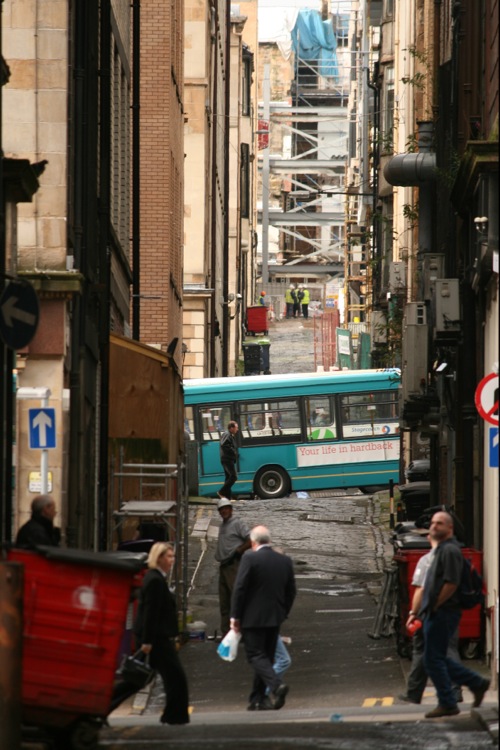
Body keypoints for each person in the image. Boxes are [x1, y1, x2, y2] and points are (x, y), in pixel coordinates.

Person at [419, 511, 490, 719]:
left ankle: (449, 702)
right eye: (432, 523)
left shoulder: (450, 550)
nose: (434, 526)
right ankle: (476, 683)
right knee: (435, 658)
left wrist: (435, 606)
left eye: (439, 523)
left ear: (449, 528)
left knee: (432, 660)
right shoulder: (441, 549)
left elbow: (451, 583)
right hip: (439, 611)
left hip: (443, 612)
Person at [230, 525, 296, 711]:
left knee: (255, 655)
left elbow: (240, 588)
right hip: (275, 618)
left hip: (252, 618)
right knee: (265, 658)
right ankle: (258, 699)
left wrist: (235, 616)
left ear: (253, 542)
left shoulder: (249, 557)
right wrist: (283, 613)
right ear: (269, 540)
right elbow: (291, 591)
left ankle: (276, 686)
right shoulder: (284, 560)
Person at [399, 537, 462, 704]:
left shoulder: (426, 561)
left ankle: (413, 692)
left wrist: (413, 612)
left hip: (429, 613)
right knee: (448, 649)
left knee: (420, 650)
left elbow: (421, 589)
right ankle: (455, 691)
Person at [133, 542, 190, 725]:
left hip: (157, 638)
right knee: (176, 678)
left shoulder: (156, 578)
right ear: (158, 558)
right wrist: (147, 641)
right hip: (157, 639)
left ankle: (173, 715)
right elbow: (151, 612)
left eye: (173, 557)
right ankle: (175, 715)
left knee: (164, 678)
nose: (172, 560)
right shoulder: (155, 580)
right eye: (169, 557)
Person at [214, 498, 251, 635]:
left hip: (234, 565)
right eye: (221, 509)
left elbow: (251, 539)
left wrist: (239, 550)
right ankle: (227, 633)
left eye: (226, 508)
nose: (224, 511)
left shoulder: (237, 523)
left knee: (236, 600)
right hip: (224, 566)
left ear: (231, 509)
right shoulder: (223, 525)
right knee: (225, 603)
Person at [218, 421, 239, 500]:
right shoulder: (227, 434)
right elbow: (224, 445)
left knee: (228, 477)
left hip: (226, 458)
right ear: (231, 428)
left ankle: (227, 497)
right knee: (233, 477)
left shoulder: (229, 434)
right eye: (236, 427)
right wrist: (234, 452)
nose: (237, 429)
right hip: (227, 459)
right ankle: (221, 492)